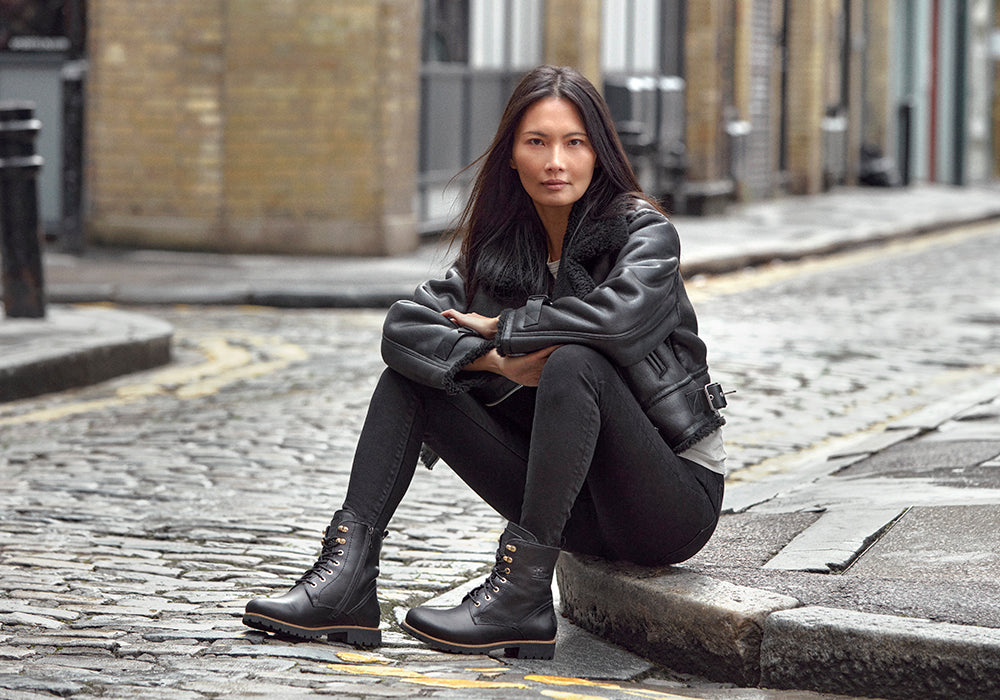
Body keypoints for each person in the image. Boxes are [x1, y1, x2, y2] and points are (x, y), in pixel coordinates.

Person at [242, 64, 728, 661]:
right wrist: (494, 361)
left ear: (598, 154)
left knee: (576, 363)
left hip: (670, 501)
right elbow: (405, 327)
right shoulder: (501, 252)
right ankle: (346, 577)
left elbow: (620, 321)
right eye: (537, 143)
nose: (556, 162)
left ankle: (521, 596)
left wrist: (507, 327)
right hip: (576, 506)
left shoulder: (644, 233)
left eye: (574, 143)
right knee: (412, 378)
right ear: (512, 158)